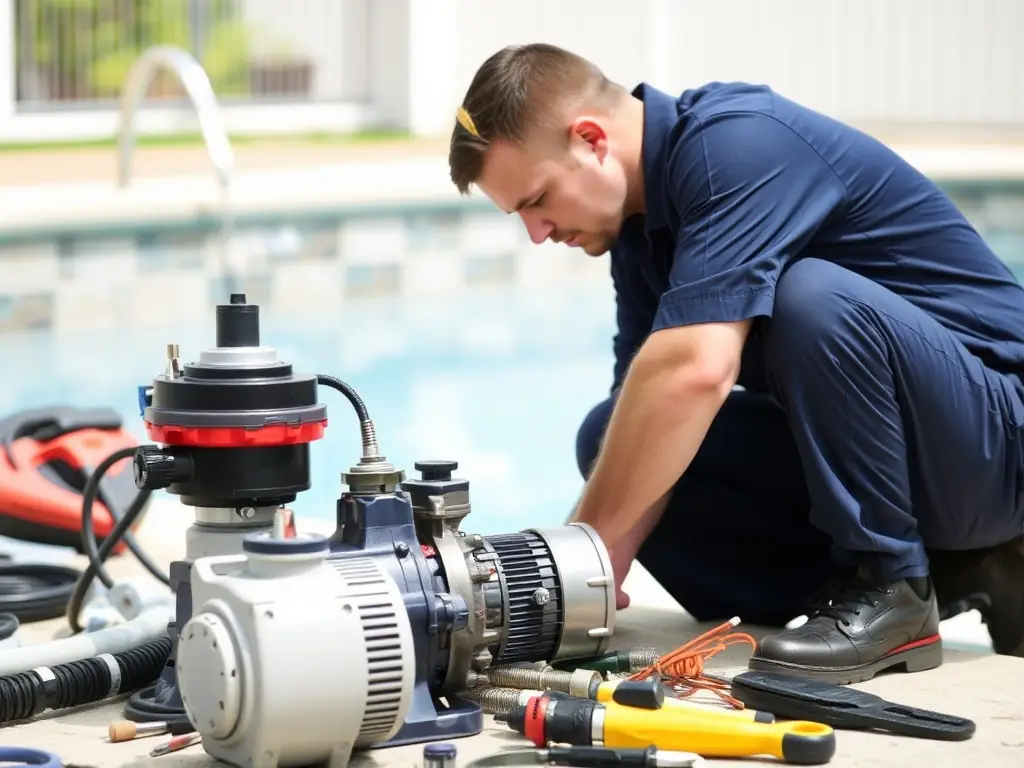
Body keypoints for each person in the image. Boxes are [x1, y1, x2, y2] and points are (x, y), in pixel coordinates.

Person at [446, 43, 1024, 683]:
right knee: (614, 433)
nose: (537, 232)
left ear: (591, 139)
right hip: (913, 457)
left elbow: (698, 370)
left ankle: (891, 588)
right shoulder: (640, 235)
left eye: (537, 199)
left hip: (997, 437)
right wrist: (581, 589)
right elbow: (645, 435)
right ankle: (938, 572)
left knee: (810, 300)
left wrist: (581, 551)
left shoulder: (736, 146)